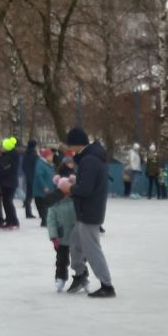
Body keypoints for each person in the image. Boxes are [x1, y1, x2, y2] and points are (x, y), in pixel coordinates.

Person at [62, 127, 115, 298]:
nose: (70, 150)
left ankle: (107, 285)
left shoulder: (89, 160)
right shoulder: (90, 157)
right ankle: (79, 274)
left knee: (92, 249)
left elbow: (85, 189)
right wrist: (76, 181)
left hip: (89, 211)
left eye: (71, 145)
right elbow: (87, 182)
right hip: (87, 209)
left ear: (76, 145)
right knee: (75, 241)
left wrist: (70, 187)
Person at [45, 169, 76, 291]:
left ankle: (82, 276)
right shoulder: (54, 204)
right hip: (61, 238)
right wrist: (53, 236)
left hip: (75, 237)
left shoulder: (75, 201)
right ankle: (60, 278)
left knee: (79, 259)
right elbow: (51, 222)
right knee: (61, 260)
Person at [0, 137, 21, 229]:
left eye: (1, 147)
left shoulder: (7, 157)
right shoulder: (11, 155)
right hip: (9, 182)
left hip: (8, 182)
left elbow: (5, 169)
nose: (0, 148)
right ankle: (10, 220)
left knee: (8, 202)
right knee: (7, 202)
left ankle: (13, 220)